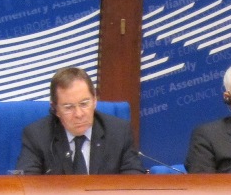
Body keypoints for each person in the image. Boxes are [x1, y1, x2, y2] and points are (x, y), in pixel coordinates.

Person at [14, 66, 145, 175]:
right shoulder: (37, 136)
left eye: (84, 104)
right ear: (55, 109)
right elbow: (26, 184)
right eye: (68, 107)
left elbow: (134, 181)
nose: (78, 114)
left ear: (94, 101)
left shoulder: (119, 132)